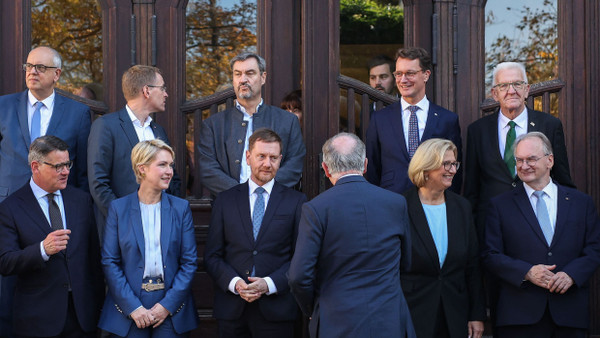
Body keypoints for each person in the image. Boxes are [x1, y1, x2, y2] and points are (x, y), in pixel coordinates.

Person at [0, 46, 91, 337]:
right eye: (28, 66)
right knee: (8, 290)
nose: (32, 71)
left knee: (54, 289)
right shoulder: (3, 106)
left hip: (56, 211)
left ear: (57, 75)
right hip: (9, 210)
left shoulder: (78, 113)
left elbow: (82, 171)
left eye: (40, 67)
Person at [288, 132, 416, 338]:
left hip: (336, 321)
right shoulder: (396, 203)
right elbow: (406, 264)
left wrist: (313, 308)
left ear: (326, 168)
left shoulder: (316, 209)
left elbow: (298, 276)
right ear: (365, 165)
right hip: (390, 320)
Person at [482, 132, 600, 338]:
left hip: (569, 315)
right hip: (519, 317)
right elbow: (490, 255)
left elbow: (594, 248)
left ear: (550, 160)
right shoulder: (500, 205)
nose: (524, 165)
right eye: (519, 160)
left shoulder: (581, 203)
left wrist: (572, 275)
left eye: (531, 159)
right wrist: (527, 272)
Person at [204, 128, 307, 338]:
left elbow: (301, 257)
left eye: (273, 158)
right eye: (261, 156)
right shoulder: (225, 200)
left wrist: (268, 284)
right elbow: (212, 256)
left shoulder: (296, 202)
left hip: (277, 312)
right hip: (232, 310)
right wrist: (235, 284)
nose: (267, 164)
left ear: (280, 159)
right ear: (248, 157)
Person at [0, 135, 103, 337]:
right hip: (38, 320)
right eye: (58, 166)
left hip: (82, 319)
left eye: (68, 164)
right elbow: (4, 262)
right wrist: (42, 250)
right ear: (35, 166)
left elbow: (93, 260)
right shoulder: (10, 208)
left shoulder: (81, 200)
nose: (65, 172)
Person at [98, 139, 198, 337]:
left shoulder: (181, 208)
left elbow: (189, 262)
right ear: (141, 168)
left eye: (171, 165)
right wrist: (133, 307)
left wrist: (167, 306)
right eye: (162, 164)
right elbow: (110, 262)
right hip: (130, 305)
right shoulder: (118, 208)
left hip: (170, 304)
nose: (169, 171)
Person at [464, 62, 574, 236]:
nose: (511, 90)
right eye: (504, 85)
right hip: (491, 228)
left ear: (527, 89)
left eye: (517, 84)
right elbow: (471, 188)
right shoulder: (478, 131)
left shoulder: (549, 125)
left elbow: (562, 179)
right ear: (494, 93)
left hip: (538, 225)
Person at [402, 138, 485, 338]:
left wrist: (476, 314)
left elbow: (472, 265)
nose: (453, 170)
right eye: (446, 164)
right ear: (426, 168)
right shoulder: (400, 206)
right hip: (413, 313)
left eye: (454, 164)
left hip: (455, 314)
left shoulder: (462, 207)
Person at [87, 65, 181, 239]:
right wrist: (123, 218)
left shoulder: (158, 130)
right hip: (122, 232)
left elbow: (173, 178)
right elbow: (98, 182)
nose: (166, 94)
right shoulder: (106, 126)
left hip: (161, 228)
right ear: (146, 90)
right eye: (162, 88)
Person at [198, 52, 305, 196]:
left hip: (275, 206)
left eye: (250, 73)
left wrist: (262, 191)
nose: (243, 79)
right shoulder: (213, 125)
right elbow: (208, 169)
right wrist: (241, 194)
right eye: (238, 74)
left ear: (263, 78)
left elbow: (295, 164)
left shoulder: (287, 121)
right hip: (230, 206)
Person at [366, 47, 462, 195]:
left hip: (433, 200)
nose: (403, 80)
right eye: (399, 74)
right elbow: (373, 168)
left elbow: (454, 171)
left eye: (410, 73)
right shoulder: (380, 119)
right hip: (391, 201)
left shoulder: (447, 119)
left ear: (426, 75)